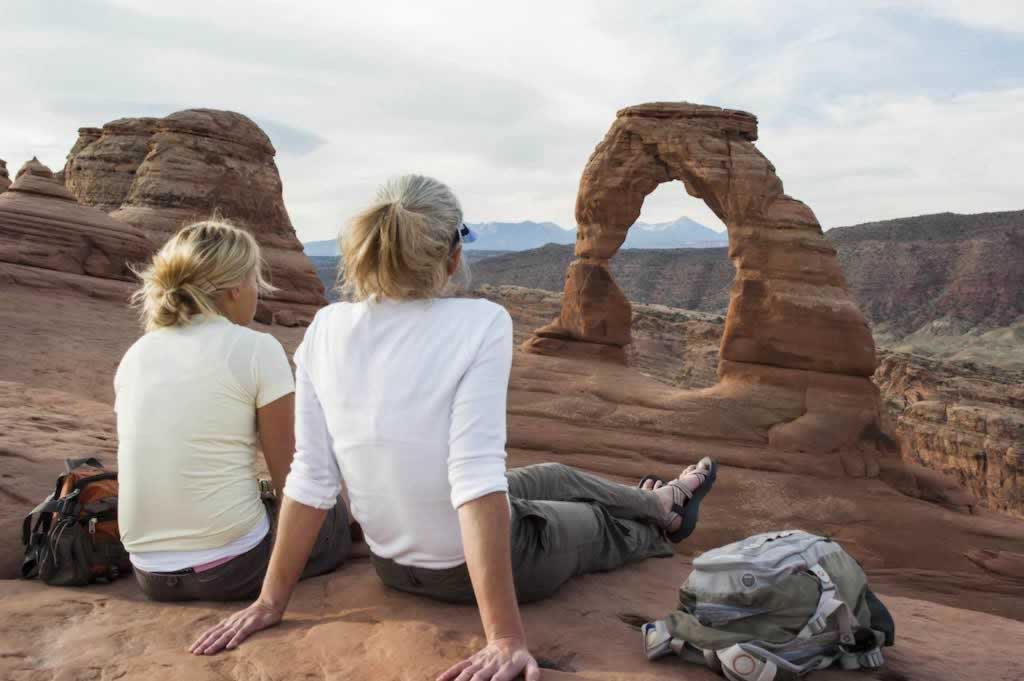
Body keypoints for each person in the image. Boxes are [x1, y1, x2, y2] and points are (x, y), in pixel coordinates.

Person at [190, 176, 717, 681]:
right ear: (453, 255)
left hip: (391, 564)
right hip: (470, 567)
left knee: (551, 474)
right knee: (594, 525)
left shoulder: (325, 328)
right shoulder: (481, 323)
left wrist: (270, 601)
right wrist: (505, 637)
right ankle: (653, 527)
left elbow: (310, 476)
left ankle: (661, 505)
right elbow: (475, 479)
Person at [115, 219, 352, 602]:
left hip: (149, 572)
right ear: (233, 290)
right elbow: (293, 477)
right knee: (332, 512)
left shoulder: (137, 353)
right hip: (231, 568)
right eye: (255, 281)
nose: (257, 292)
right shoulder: (256, 348)